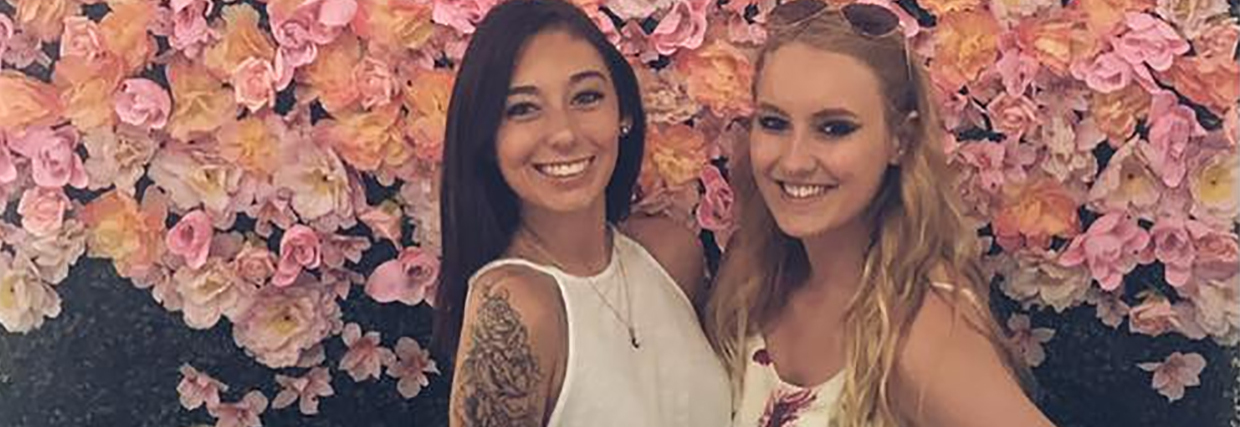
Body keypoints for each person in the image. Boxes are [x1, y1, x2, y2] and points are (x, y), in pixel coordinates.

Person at [702, 1, 1057, 426]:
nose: (794, 161)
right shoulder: (754, 279)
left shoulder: (917, 327)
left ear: (900, 141)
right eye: (775, 123)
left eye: (834, 128)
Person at [433, 1, 731, 426]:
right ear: (487, 137)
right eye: (523, 108)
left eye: (586, 97)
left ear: (622, 113)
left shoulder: (671, 255)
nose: (564, 134)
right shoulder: (517, 306)